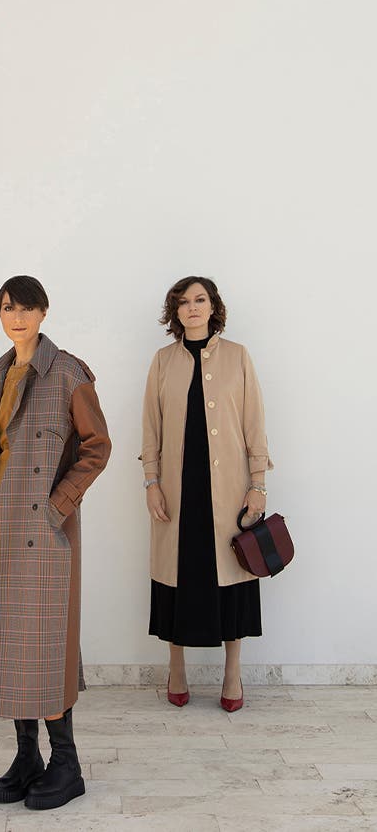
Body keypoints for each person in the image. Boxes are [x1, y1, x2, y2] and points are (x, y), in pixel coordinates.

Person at [0, 275, 111, 810]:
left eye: (26, 307)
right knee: (10, 645)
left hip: (45, 535)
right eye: (7, 307)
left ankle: (66, 764)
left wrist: (57, 508)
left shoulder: (68, 372)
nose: (17, 316)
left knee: (46, 646)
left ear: (44, 312)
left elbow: (98, 447)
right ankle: (27, 756)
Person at [140, 276, 273, 712]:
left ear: (213, 306)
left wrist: (258, 485)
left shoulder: (238, 357)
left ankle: (232, 673)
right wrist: (152, 483)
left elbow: (254, 423)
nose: (193, 307)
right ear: (175, 312)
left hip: (231, 489)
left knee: (233, 575)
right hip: (179, 492)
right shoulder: (162, 361)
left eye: (200, 299)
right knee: (178, 575)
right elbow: (151, 429)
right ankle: (175, 667)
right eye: (183, 302)